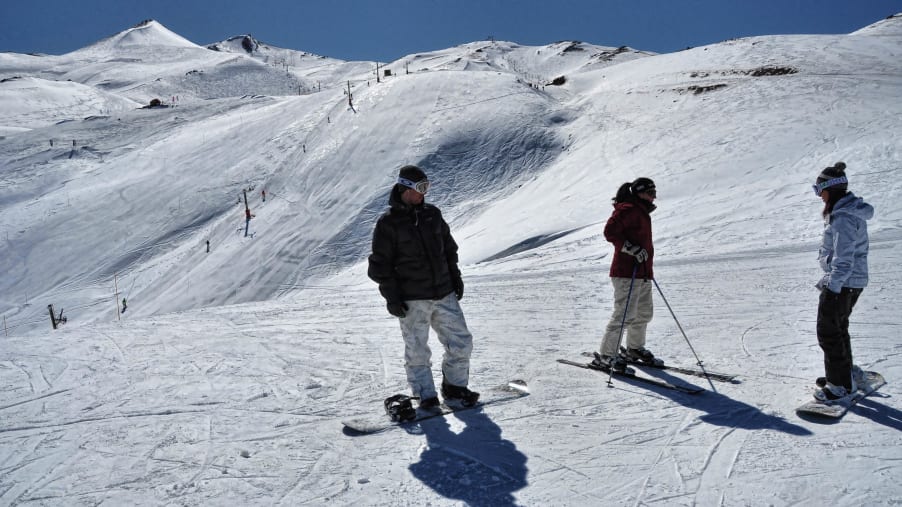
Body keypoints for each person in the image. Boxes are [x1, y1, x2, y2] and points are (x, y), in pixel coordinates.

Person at [368, 165, 478, 409]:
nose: (424, 193)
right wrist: (392, 297)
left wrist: (455, 277)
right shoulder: (389, 224)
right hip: (412, 298)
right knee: (417, 350)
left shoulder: (432, 215)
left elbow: (449, 249)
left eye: (426, 187)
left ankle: (455, 388)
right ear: (405, 187)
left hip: (444, 292)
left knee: (461, 343)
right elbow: (379, 266)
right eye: (420, 187)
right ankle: (425, 396)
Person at [812, 162, 873, 402]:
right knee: (838, 328)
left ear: (831, 189)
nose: (819, 196)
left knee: (828, 331)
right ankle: (844, 373)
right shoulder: (848, 212)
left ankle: (839, 385)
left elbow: (844, 258)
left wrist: (832, 287)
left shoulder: (843, 217)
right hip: (850, 281)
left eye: (819, 190)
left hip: (843, 282)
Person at [593, 177, 660, 373]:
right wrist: (629, 248)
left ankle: (634, 349)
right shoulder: (628, 209)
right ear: (639, 192)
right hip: (626, 272)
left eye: (654, 193)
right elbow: (610, 232)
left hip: (642, 272)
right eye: (650, 193)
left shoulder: (641, 211)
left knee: (644, 313)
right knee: (624, 315)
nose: (654, 197)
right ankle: (607, 355)